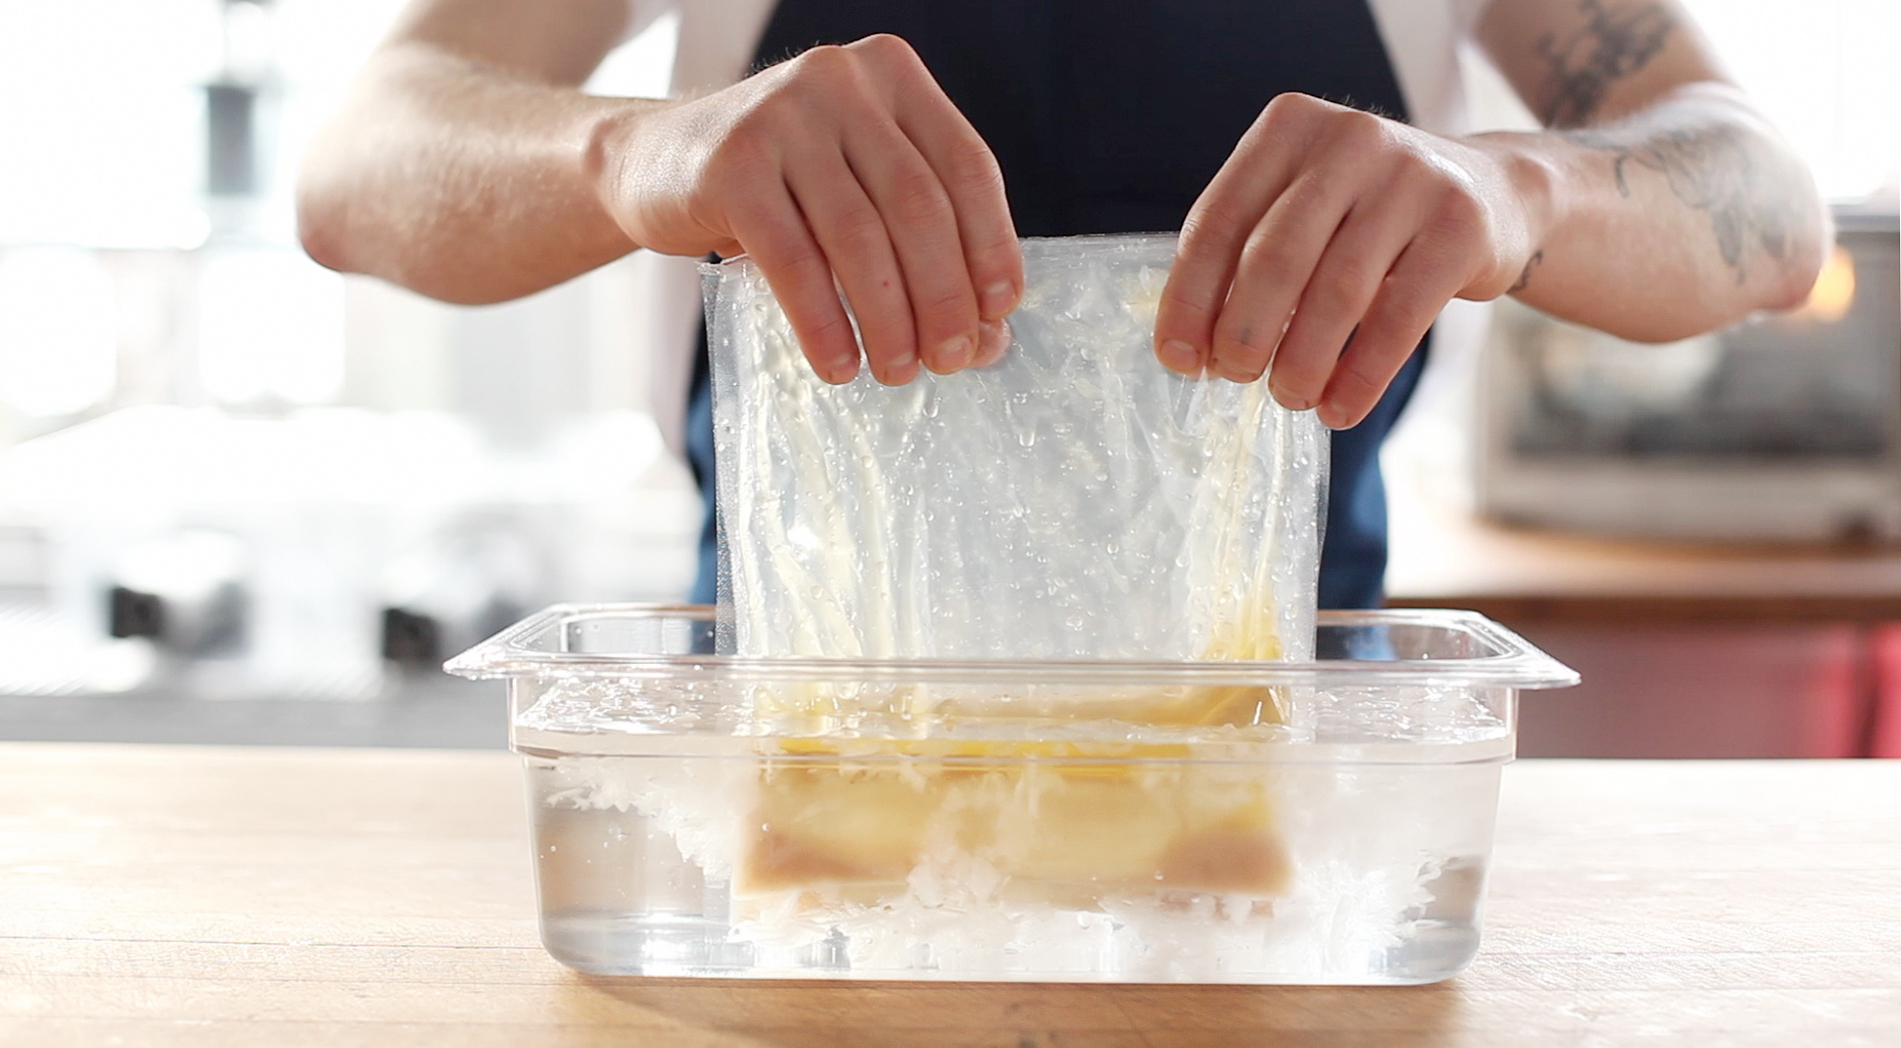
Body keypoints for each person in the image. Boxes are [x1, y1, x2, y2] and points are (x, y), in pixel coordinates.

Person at [298, 0, 1828, 609]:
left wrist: (1520, 191)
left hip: (1278, 776)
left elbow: (1760, 208)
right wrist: (627, 150)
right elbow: (359, 164)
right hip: (801, 765)